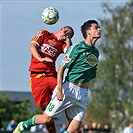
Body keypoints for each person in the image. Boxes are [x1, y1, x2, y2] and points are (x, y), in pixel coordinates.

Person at [13, 19, 101, 133]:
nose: (99, 29)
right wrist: (59, 89)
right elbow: (61, 69)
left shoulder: (95, 51)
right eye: (96, 28)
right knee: (46, 118)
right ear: (88, 32)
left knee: (75, 129)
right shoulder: (76, 47)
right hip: (69, 89)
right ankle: (23, 125)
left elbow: (67, 50)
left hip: (83, 93)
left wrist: (68, 39)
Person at [28, 26, 74, 133]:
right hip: (37, 76)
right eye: (67, 32)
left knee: (67, 96)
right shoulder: (44, 33)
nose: (66, 36)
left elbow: (70, 52)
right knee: (46, 111)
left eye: (69, 35)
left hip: (52, 75)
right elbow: (32, 46)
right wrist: (41, 58)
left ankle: (73, 128)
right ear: (62, 28)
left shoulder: (62, 44)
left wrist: (68, 40)